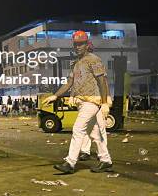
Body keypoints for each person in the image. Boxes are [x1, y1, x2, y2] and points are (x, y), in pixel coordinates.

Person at [44, 31, 113, 174]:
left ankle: (70, 163)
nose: (78, 47)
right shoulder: (75, 63)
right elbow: (70, 82)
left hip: (92, 101)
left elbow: (102, 82)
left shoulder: (94, 59)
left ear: (87, 44)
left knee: (78, 128)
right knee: (95, 134)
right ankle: (105, 160)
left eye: (81, 44)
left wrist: (105, 102)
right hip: (82, 102)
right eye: (75, 44)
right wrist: (55, 96)